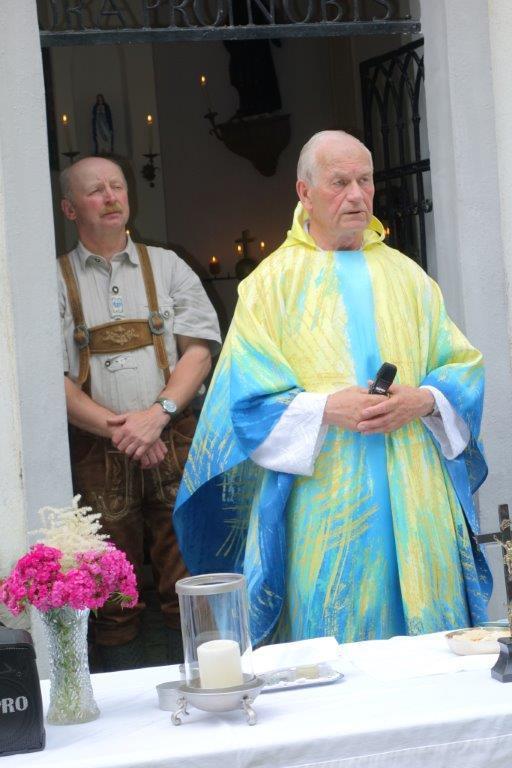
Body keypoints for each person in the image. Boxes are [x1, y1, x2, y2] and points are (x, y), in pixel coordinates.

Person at [174, 130, 492, 646]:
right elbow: (245, 406)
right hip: (327, 504)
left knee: (432, 651)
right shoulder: (270, 286)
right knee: (335, 644)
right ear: (304, 192)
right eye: (340, 183)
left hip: (418, 497)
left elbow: (463, 366)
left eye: (365, 181)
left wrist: (423, 400)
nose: (357, 195)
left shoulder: (409, 277)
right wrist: (324, 408)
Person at [58, 156, 221, 670]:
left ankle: (197, 689)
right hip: (96, 453)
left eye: (117, 187)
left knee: (189, 584)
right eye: (95, 191)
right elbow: (50, 380)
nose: (110, 197)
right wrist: (125, 430)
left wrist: (158, 415)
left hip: (174, 440)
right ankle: (123, 702)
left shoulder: (168, 266)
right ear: (69, 209)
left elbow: (200, 351)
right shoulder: (54, 280)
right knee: (110, 594)